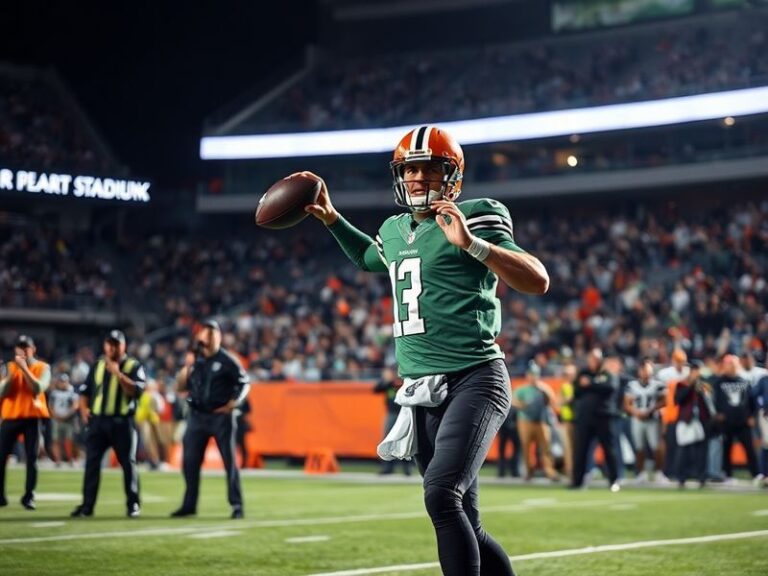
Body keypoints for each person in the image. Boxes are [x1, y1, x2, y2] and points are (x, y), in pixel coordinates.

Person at [306, 125, 549, 576]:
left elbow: (537, 279)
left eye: (428, 168)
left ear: (451, 174)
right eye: (410, 169)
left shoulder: (477, 213)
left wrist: (473, 245)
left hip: (475, 377)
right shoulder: (394, 229)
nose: (417, 178)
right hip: (422, 390)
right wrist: (332, 219)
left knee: (440, 494)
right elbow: (368, 259)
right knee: (466, 523)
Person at [171, 319, 250, 519]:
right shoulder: (195, 361)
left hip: (220, 416)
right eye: (206, 334)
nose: (209, 338)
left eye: (213, 334)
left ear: (219, 337)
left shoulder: (227, 360)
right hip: (197, 416)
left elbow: (244, 383)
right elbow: (180, 387)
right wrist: (187, 366)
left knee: (229, 462)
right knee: (189, 462)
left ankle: (237, 505)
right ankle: (189, 505)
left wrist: (234, 402)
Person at [71, 330, 146, 518]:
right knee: (91, 464)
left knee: (128, 464)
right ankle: (87, 506)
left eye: (116, 344)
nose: (112, 347)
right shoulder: (96, 366)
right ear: (105, 345)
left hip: (122, 422)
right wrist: (84, 410)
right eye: (109, 344)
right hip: (98, 422)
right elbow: (85, 391)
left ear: (124, 346)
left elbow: (136, 392)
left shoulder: (133, 366)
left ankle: (133, 504)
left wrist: (118, 374)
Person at [0, 335, 51, 510]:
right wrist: (11, 376)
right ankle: (0, 496)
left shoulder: (43, 367)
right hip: (11, 416)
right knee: (1, 456)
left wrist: (24, 369)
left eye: (26, 347)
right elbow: (2, 392)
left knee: (31, 458)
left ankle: (29, 496)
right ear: (15, 350)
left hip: (32, 417)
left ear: (33, 349)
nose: (23, 351)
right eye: (20, 348)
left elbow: (38, 387)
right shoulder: (8, 367)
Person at [570, 348, 620, 491]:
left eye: (596, 359)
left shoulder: (607, 373)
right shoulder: (583, 373)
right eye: (591, 359)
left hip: (604, 417)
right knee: (581, 450)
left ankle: (614, 480)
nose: (593, 362)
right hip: (585, 418)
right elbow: (576, 390)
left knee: (609, 449)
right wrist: (589, 385)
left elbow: (609, 387)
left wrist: (590, 384)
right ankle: (577, 482)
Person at [712, 354, 761, 485]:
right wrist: (717, 413)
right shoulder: (719, 382)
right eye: (729, 364)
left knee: (749, 449)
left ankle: (756, 474)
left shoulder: (744, 381)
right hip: (726, 421)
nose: (731, 367)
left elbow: (752, 401)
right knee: (726, 449)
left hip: (743, 421)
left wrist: (751, 415)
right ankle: (727, 475)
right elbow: (714, 401)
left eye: (733, 364)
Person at [511, 362, 558, 481]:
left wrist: (543, 390)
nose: (533, 377)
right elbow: (513, 400)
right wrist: (522, 405)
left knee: (546, 447)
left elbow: (552, 401)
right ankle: (529, 471)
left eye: (535, 374)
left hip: (541, 421)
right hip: (526, 421)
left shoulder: (543, 388)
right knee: (526, 447)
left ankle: (550, 471)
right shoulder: (523, 389)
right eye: (531, 374)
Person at [624, 358, 666, 482]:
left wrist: (651, 410)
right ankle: (641, 473)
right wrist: (636, 412)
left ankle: (659, 472)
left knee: (656, 447)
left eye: (647, 369)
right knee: (639, 447)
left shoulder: (658, 384)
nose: (645, 372)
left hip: (653, 418)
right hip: (637, 418)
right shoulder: (632, 385)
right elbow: (627, 404)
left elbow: (665, 400)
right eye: (643, 369)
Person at [674, 361, 712, 488]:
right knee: (684, 450)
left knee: (701, 450)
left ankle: (701, 477)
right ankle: (681, 477)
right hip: (686, 420)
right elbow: (678, 399)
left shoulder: (703, 384)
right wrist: (691, 385)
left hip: (700, 420)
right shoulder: (682, 383)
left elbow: (708, 401)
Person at [373, 365, 413, 476]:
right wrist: (387, 381)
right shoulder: (388, 383)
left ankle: (407, 468)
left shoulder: (403, 381)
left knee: (405, 440)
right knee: (387, 441)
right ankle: (387, 468)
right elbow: (376, 389)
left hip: (404, 414)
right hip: (391, 414)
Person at [48, 373, 80, 466]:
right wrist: (55, 416)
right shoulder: (54, 393)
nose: (63, 384)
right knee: (56, 440)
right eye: (61, 382)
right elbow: (50, 406)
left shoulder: (72, 392)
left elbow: (75, 405)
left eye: (64, 382)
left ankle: (71, 459)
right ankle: (58, 460)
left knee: (70, 440)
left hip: (69, 420)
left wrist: (66, 415)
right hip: (56, 419)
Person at [558, 363, 577, 479]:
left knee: (575, 447)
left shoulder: (576, 385)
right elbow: (558, 401)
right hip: (567, 420)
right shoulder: (565, 386)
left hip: (577, 420)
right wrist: (568, 400)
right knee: (569, 447)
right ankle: (570, 471)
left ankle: (576, 470)